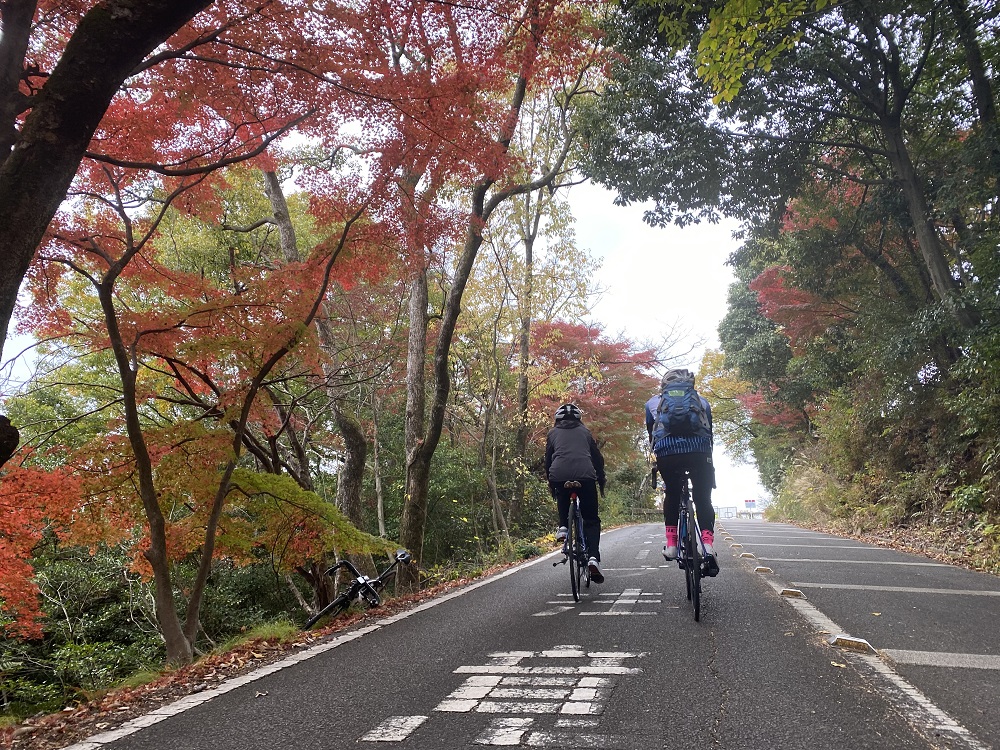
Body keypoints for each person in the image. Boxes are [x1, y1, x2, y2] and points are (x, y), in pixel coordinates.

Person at [645, 369, 718, 572]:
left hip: (668, 454)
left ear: (663, 386)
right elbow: (709, 431)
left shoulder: (653, 403)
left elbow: (652, 432)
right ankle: (708, 545)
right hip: (699, 452)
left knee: (672, 493)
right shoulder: (702, 401)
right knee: (703, 498)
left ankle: (671, 545)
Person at [545, 403, 607, 584]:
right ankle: (593, 557)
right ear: (579, 419)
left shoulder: (552, 433)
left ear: (558, 420)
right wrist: (600, 478)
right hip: (586, 477)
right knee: (591, 520)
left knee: (562, 490)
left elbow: (548, 460)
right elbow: (597, 458)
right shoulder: (585, 433)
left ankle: (563, 526)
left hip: (559, 475)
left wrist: (551, 481)